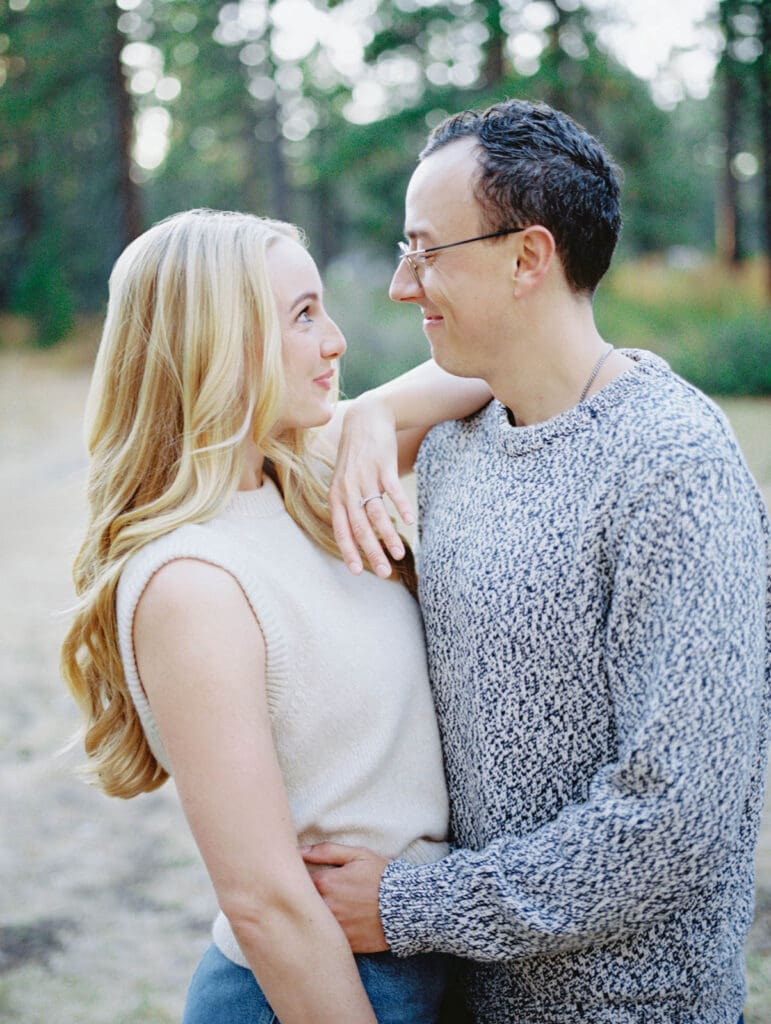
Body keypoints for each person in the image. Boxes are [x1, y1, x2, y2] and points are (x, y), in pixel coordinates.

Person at [300, 100, 771, 1024]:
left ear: (528, 257)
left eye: (426, 250)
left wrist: (406, 905)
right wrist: (369, 413)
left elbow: (671, 819)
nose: (403, 284)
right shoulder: (454, 441)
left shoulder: (672, 467)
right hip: (463, 996)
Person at [59, 208, 493, 1024]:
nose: (333, 341)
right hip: (316, 990)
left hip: (426, 955)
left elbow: (499, 366)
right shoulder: (192, 581)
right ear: (213, 343)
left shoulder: (306, 471)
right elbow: (264, 902)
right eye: (300, 315)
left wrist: (371, 414)